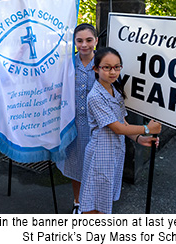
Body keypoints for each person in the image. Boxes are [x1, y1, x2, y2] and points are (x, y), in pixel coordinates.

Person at [79, 47, 161, 214]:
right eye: (107, 67)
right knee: (92, 204)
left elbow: (122, 122)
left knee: (104, 200)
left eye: (117, 67)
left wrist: (139, 138)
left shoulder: (115, 89)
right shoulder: (95, 96)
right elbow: (117, 128)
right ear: (96, 69)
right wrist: (147, 128)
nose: (113, 71)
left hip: (114, 152)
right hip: (100, 154)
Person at [56, 23, 98, 214]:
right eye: (79, 40)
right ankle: (78, 202)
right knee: (76, 165)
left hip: (98, 126)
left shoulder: (103, 63)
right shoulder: (68, 64)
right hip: (75, 125)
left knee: (95, 167)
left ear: (96, 41)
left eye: (89, 40)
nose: (84, 45)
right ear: (74, 42)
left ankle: (95, 203)